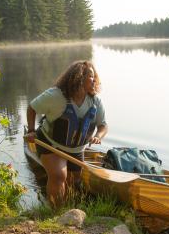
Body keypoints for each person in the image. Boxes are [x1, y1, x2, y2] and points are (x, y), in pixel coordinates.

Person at [25, 60, 108, 208]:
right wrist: (31, 130)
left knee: (73, 181)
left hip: (77, 150)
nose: (94, 79)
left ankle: (68, 210)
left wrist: (98, 136)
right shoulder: (56, 96)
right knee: (58, 176)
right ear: (79, 77)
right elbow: (32, 108)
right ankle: (55, 214)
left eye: (94, 76)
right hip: (51, 144)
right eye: (90, 76)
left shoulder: (96, 101)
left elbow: (103, 125)